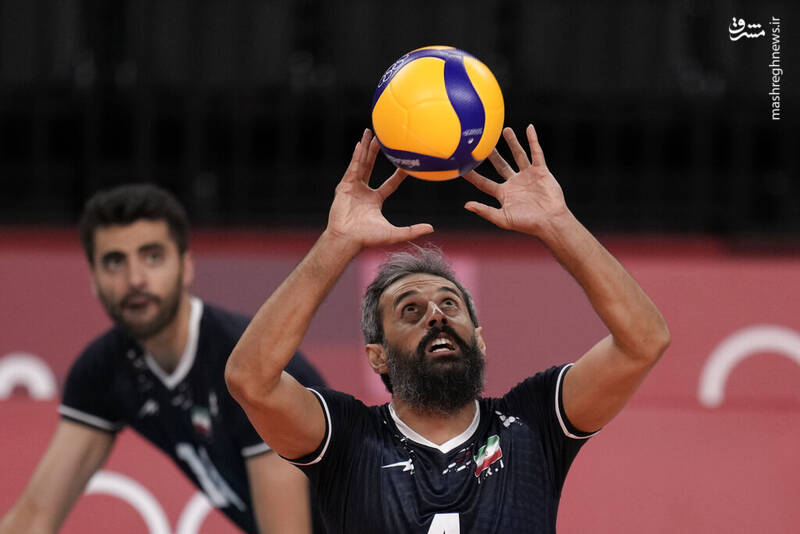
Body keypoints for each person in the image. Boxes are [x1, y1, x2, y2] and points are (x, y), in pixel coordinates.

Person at [224, 125, 671, 533]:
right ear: (378, 355)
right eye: (411, 310)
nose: (436, 315)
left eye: (450, 304)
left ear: (479, 338)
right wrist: (337, 242)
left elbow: (644, 341)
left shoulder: (532, 423)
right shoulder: (349, 438)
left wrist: (559, 224)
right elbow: (250, 379)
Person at [0, 184, 326, 534]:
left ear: (186, 267)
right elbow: (34, 518)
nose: (135, 280)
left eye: (153, 257)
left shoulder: (248, 366)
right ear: (93, 278)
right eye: (114, 262)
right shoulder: (103, 370)